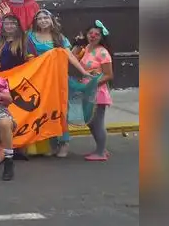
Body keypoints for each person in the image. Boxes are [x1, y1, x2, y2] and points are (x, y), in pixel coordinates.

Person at [27, 9, 91, 157]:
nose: (43, 20)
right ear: (36, 21)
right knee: (45, 111)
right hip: (40, 80)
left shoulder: (59, 37)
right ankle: (51, 143)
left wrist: (83, 71)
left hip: (58, 79)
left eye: (45, 18)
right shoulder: (30, 37)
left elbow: (70, 56)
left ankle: (64, 143)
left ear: (51, 20)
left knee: (61, 111)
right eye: (39, 18)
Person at [73, 21, 114, 161]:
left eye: (97, 34)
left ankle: (101, 152)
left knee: (97, 122)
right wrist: (77, 44)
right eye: (90, 33)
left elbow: (109, 75)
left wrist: (93, 84)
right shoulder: (87, 48)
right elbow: (71, 58)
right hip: (86, 90)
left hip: (97, 92)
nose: (93, 36)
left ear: (102, 37)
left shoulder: (103, 52)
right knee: (90, 121)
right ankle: (101, 148)